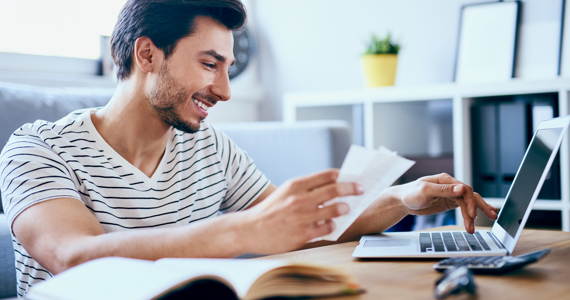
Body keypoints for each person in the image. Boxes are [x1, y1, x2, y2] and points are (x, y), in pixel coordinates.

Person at [0, 0, 498, 296]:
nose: (225, 90)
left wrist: (402, 198)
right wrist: (244, 229)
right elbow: (74, 255)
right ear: (147, 53)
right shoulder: (38, 148)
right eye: (209, 64)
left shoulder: (211, 149)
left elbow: (305, 224)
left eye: (228, 68)